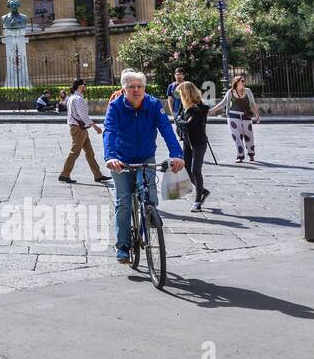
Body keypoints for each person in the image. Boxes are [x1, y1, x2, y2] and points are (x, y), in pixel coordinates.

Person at [103, 69, 185, 264]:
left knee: (150, 198)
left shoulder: (154, 104)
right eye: (132, 87)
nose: (137, 90)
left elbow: (166, 129)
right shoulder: (115, 107)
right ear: (124, 89)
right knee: (123, 201)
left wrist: (177, 154)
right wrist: (110, 156)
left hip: (146, 157)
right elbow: (110, 131)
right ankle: (123, 245)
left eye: (140, 86)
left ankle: (147, 221)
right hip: (122, 160)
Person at [59, 78, 108, 184]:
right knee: (75, 152)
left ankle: (98, 175)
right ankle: (64, 174)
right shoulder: (78, 99)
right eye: (85, 85)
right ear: (81, 86)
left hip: (78, 128)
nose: (86, 87)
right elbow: (83, 116)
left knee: (90, 153)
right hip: (79, 129)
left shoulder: (71, 98)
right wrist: (95, 127)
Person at [175, 81, 212, 211]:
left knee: (196, 171)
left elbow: (187, 124)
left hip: (198, 142)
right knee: (186, 169)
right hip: (187, 141)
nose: (179, 96)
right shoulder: (184, 106)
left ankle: (197, 202)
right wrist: (180, 121)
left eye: (180, 93)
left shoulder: (199, 107)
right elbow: (179, 119)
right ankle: (202, 190)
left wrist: (179, 121)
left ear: (186, 93)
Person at [209, 75, 260, 162]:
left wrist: (257, 115)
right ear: (236, 82)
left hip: (246, 116)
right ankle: (240, 156)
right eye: (242, 81)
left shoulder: (248, 91)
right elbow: (223, 103)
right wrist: (212, 110)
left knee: (249, 136)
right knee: (237, 137)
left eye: (244, 81)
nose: (244, 83)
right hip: (233, 116)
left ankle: (251, 154)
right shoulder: (230, 92)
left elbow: (252, 104)